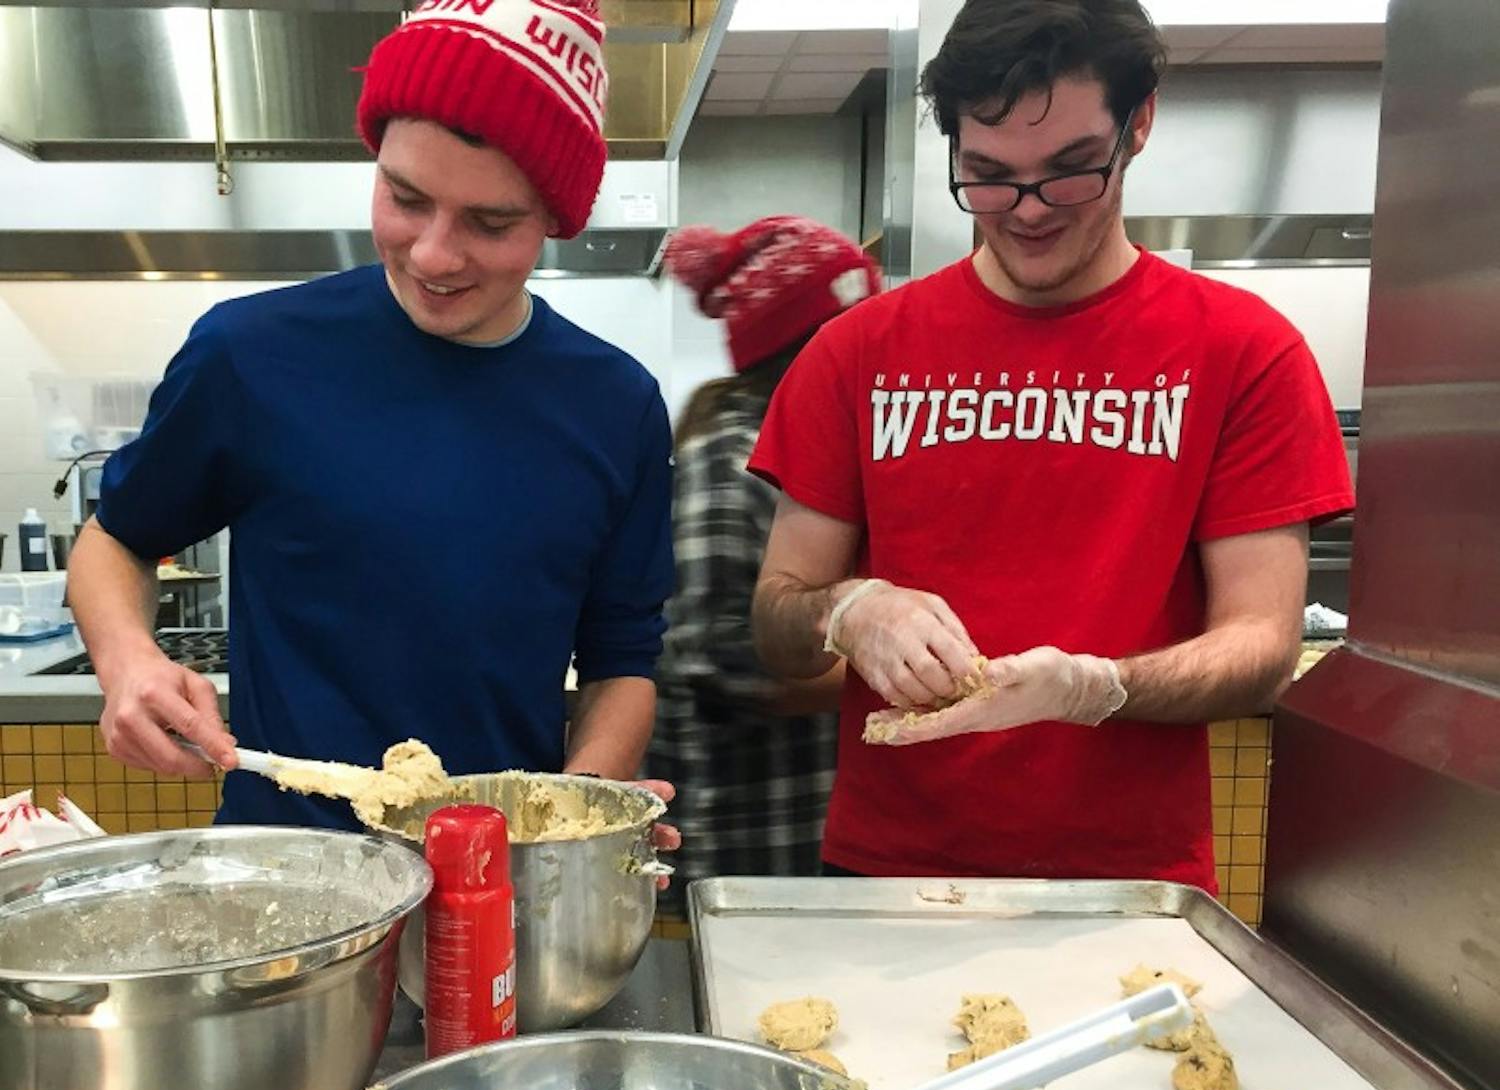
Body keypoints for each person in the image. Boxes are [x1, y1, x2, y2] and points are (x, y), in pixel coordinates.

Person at [746, 0, 1354, 892]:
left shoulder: (1243, 354)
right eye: (988, 175)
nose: (1027, 211)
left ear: (1137, 123)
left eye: (1070, 172)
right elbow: (776, 620)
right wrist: (847, 609)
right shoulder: (856, 354)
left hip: (1130, 883)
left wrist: (1096, 687)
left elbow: (1260, 644)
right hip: (888, 879)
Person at [67, 0, 679, 834]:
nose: (432, 253)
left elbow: (621, 663)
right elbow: (117, 537)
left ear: (553, 221)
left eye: (490, 223)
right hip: (287, 875)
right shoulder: (250, 355)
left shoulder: (617, 407)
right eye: (405, 197)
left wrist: (574, 824)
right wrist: (127, 659)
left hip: (498, 888)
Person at [647, 217, 880, 901]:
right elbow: (719, 654)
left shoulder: (820, 446)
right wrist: (891, 666)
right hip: (743, 851)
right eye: (860, 329)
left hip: (805, 836)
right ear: (811, 345)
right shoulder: (732, 459)